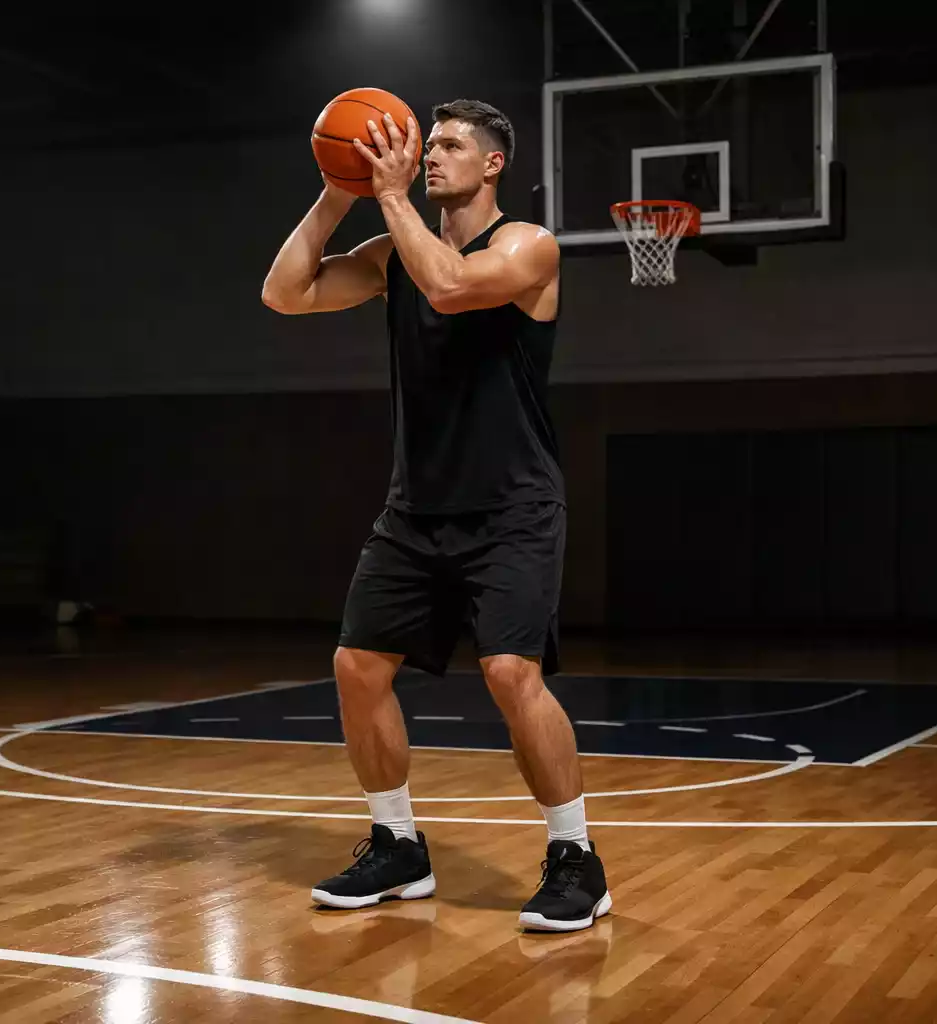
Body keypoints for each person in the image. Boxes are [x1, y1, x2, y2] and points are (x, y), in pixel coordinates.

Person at [261, 99, 611, 932]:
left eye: (451, 146)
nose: (431, 159)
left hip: (514, 505)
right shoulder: (390, 255)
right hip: (415, 509)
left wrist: (386, 198)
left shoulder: (528, 245)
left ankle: (577, 859)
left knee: (509, 674)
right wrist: (338, 190)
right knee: (356, 666)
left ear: (494, 164)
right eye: (431, 147)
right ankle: (397, 845)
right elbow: (284, 293)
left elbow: (453, 288)